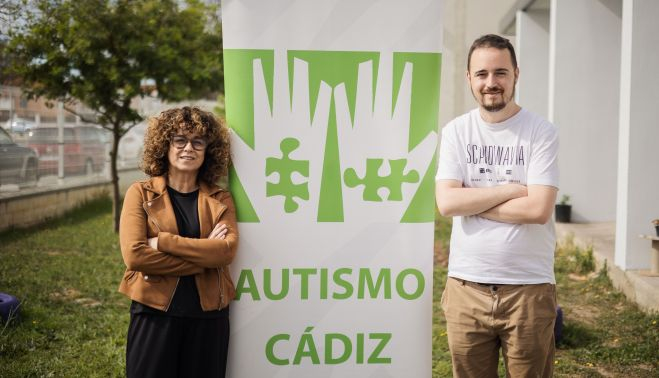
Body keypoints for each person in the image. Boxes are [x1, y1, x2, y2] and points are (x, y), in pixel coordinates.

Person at [435, 34, 559, 378]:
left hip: (529, 291)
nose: (492, 83)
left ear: (516, 74)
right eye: (482, 74)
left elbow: (538, 210)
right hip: (466, 290)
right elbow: (446, 203)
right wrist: (509, 190)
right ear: (469, 78)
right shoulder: (456, 132)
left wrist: (472, 201)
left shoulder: (540, 133)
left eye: (501, 73)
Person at [118, 106, 238, 378]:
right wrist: (202, 258)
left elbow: (225, 251)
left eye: (198, 142)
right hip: (153, 313)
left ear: (209, 150)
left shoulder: (220, 199)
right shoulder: (140, 193)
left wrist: (163, 242)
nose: (189, 148)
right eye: (180, 140)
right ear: (165, 145)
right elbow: (135, 257)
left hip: (209, 317)